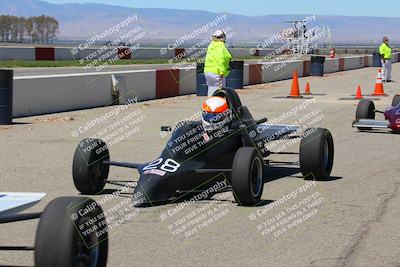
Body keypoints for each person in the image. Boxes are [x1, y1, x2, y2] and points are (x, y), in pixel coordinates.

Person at [204, 30, 232, 96]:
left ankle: (210, 105)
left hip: (208, 72)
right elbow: (221, 59)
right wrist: (221, 72)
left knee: (211, 92)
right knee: (219, 93)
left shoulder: (211, 46)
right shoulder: (221, 46)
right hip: (217, 73)